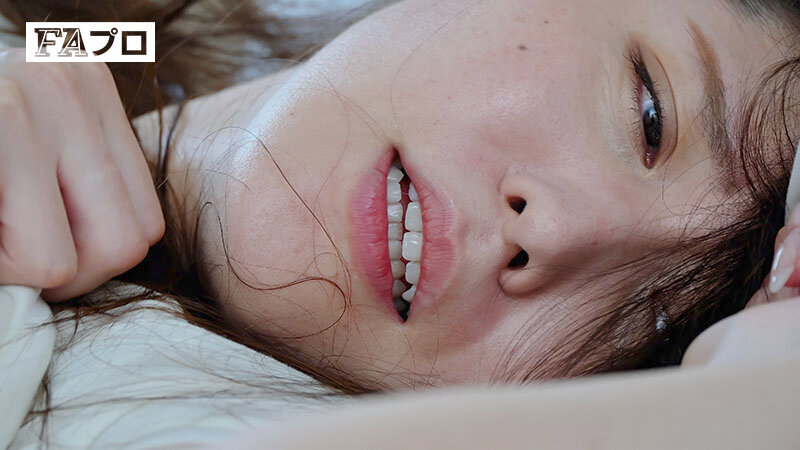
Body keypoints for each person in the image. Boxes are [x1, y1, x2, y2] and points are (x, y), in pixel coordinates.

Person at [2, 0, 800, 446]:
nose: (555, 232)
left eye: (661, 330)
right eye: (650, 117)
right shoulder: (167, 30)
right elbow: (78, 44)